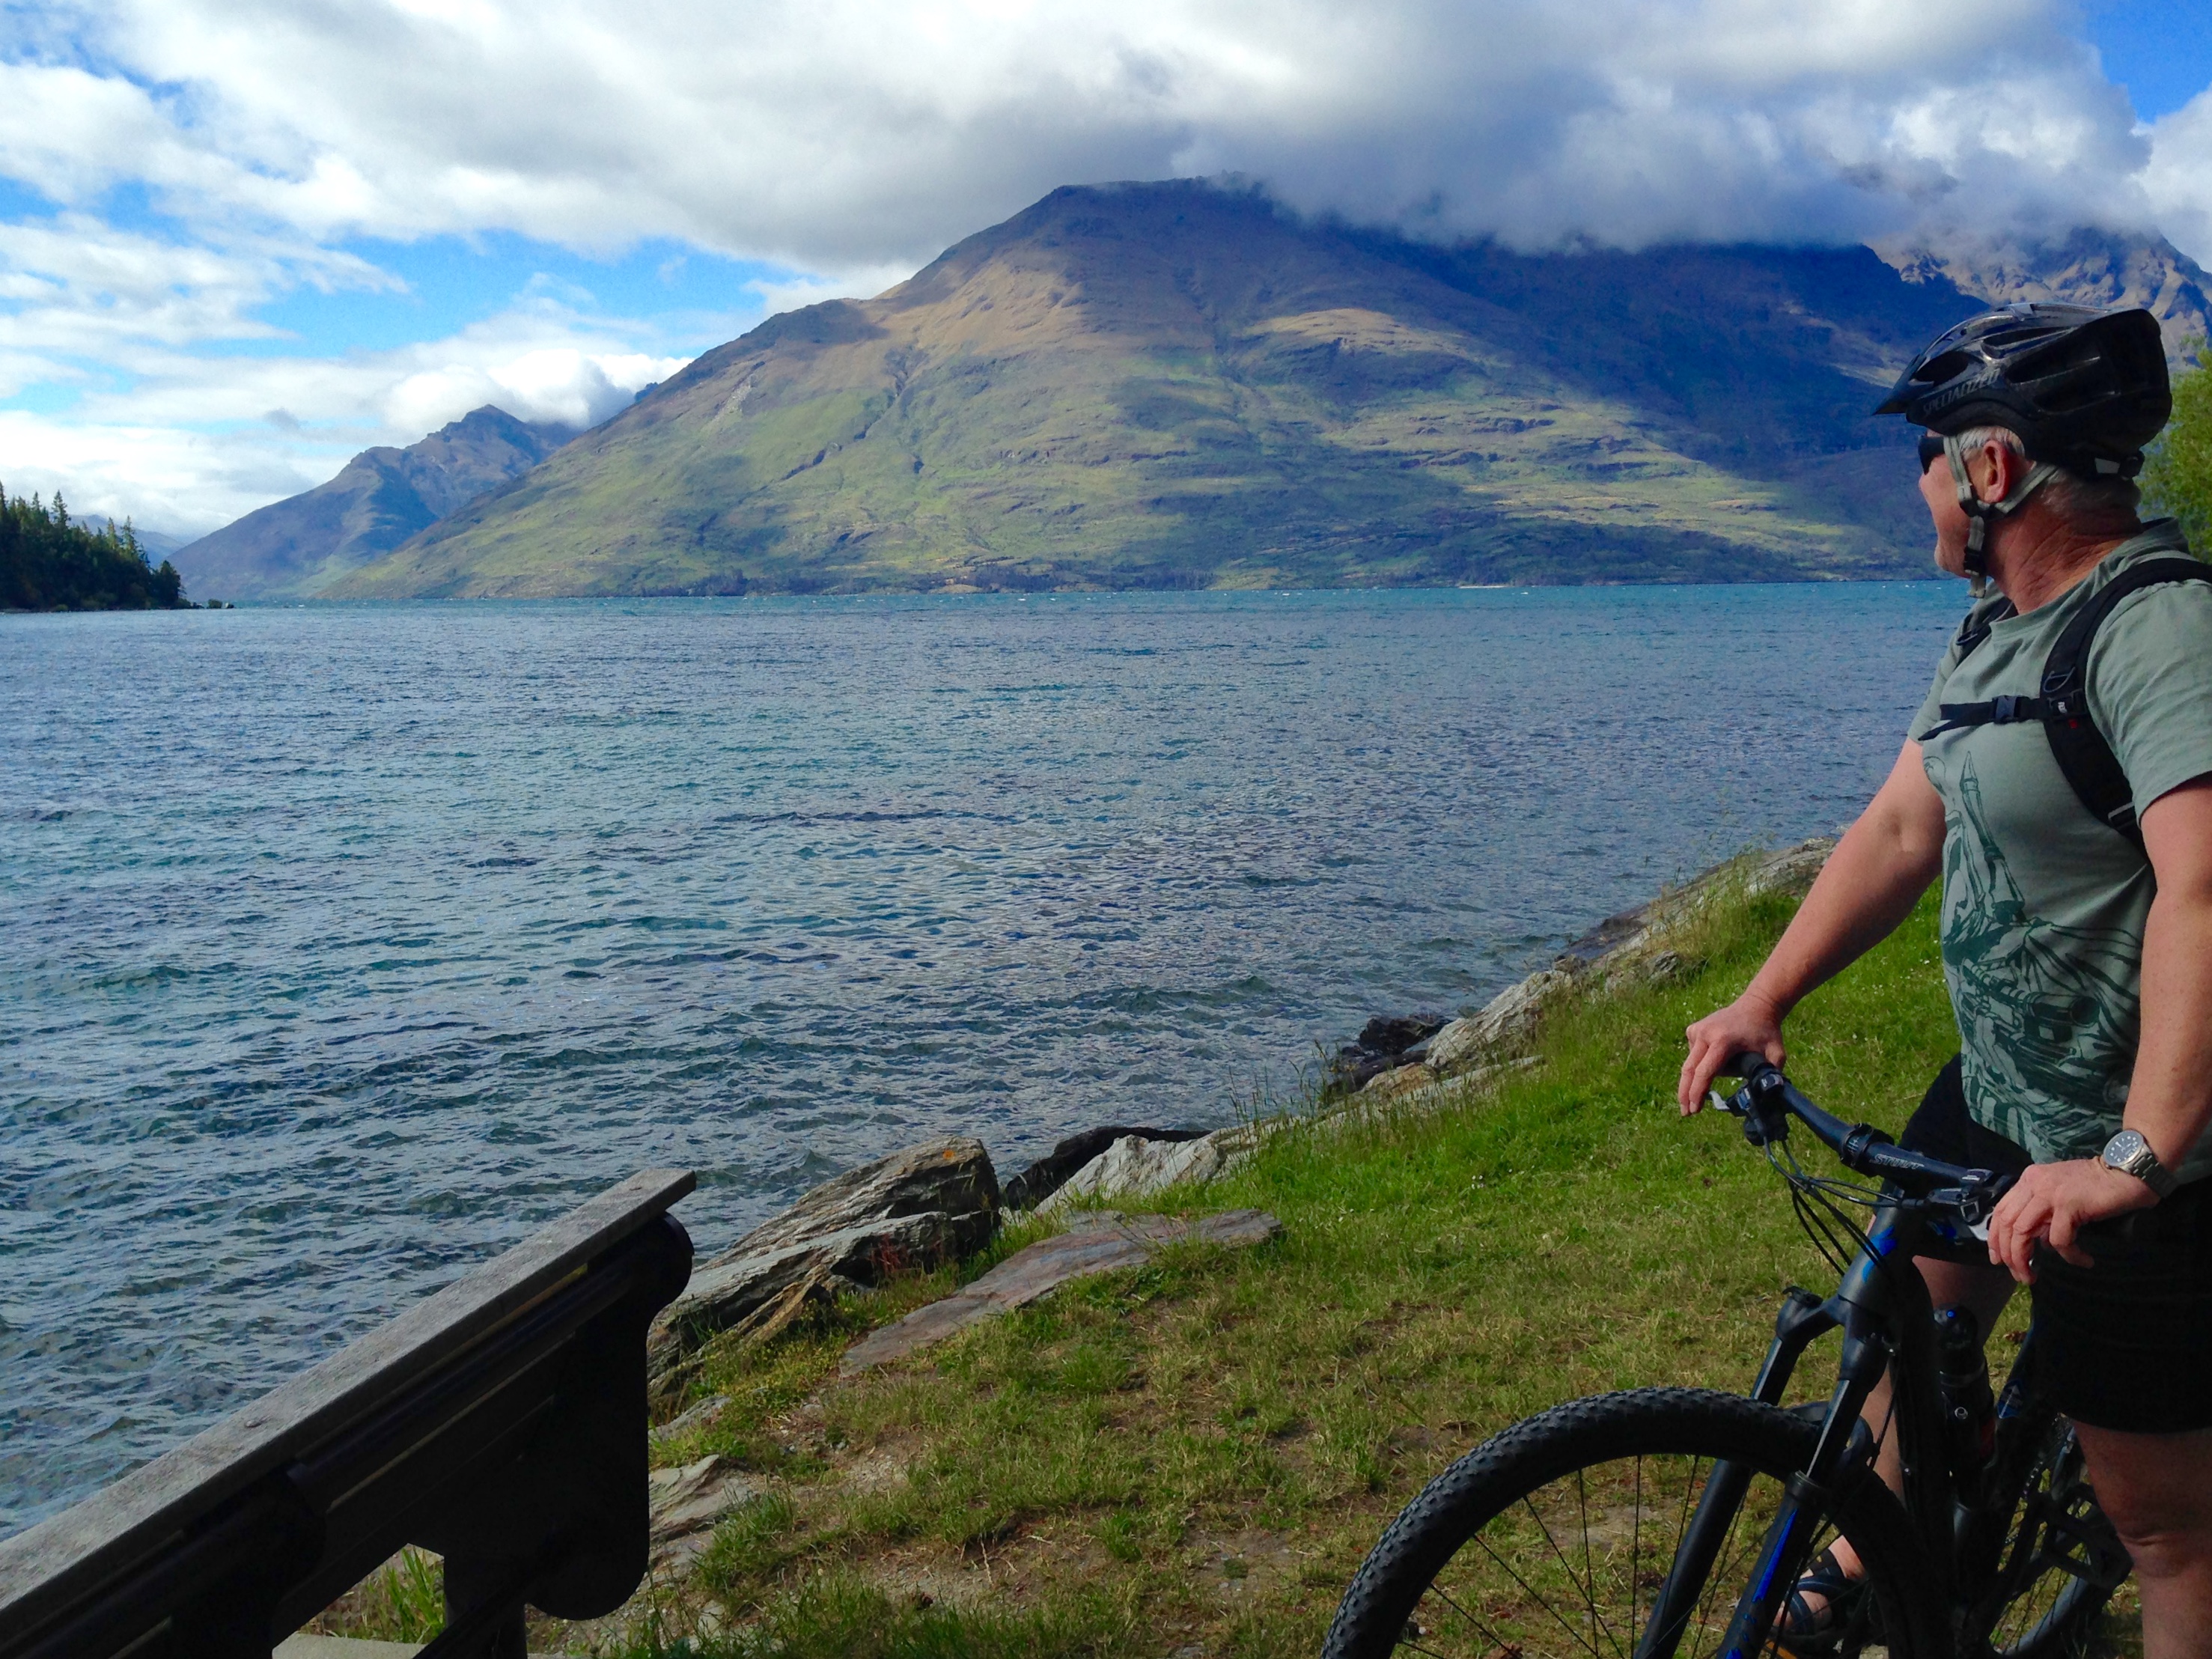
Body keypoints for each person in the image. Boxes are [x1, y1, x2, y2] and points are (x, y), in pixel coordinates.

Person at [1677, 302, 2212, 1658]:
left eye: (1928, 460)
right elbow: (1902, 829)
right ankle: (1879, 1558)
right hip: (2001, 1084)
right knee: (1901, 1323)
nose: (1915, 489)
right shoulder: (1993, 633)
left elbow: (2208, 890)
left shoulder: (2162, 629)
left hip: (2144, 1151)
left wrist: (2136, 1155)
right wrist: (1765, 994)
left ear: (1990, 470)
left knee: (2167, 1530)